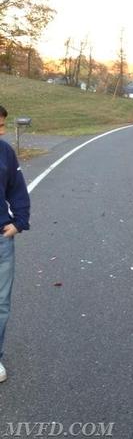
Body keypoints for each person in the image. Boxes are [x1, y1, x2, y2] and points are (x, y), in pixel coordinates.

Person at [0, 105, 30, 383]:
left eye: (4, 125)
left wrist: (19, 222)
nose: (3, 131)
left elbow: (17, 188)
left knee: (1, 304)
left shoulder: (5, 151)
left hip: (1, 239)